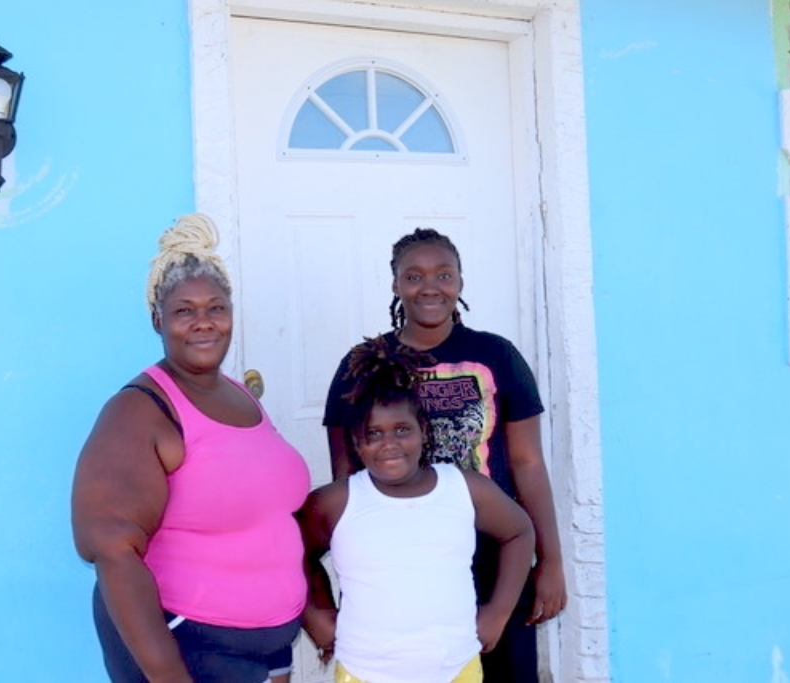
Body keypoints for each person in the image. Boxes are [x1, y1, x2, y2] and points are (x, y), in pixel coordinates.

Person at [71, 214, 310, 683]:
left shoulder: (239, 395)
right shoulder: (139, 411)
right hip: (192, 649)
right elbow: (110, 550)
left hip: (268, 647)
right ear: (158, 318)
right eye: (184, 311)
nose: (204, 323)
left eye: (216, 308)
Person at [323, 228, 567, 682]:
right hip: (405, 568)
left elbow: (528, 463)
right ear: (395, 285)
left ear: (460, 282)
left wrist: (550, 561)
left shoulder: (496, 356)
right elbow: (346, 475)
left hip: (496, 559)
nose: (429, 287)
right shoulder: (363, 363)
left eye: (444, 274)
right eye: (413, 276)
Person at [300, 336, 534, 682]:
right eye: (374, 434)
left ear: (424, 431)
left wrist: (497, 613)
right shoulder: (335, 502)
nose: (389, 444)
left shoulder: (465, 489)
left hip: (456, 669)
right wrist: (314, 613)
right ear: (356, 442)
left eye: (402, 430)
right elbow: (287, 553)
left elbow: (519, 532)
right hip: (365, 672)